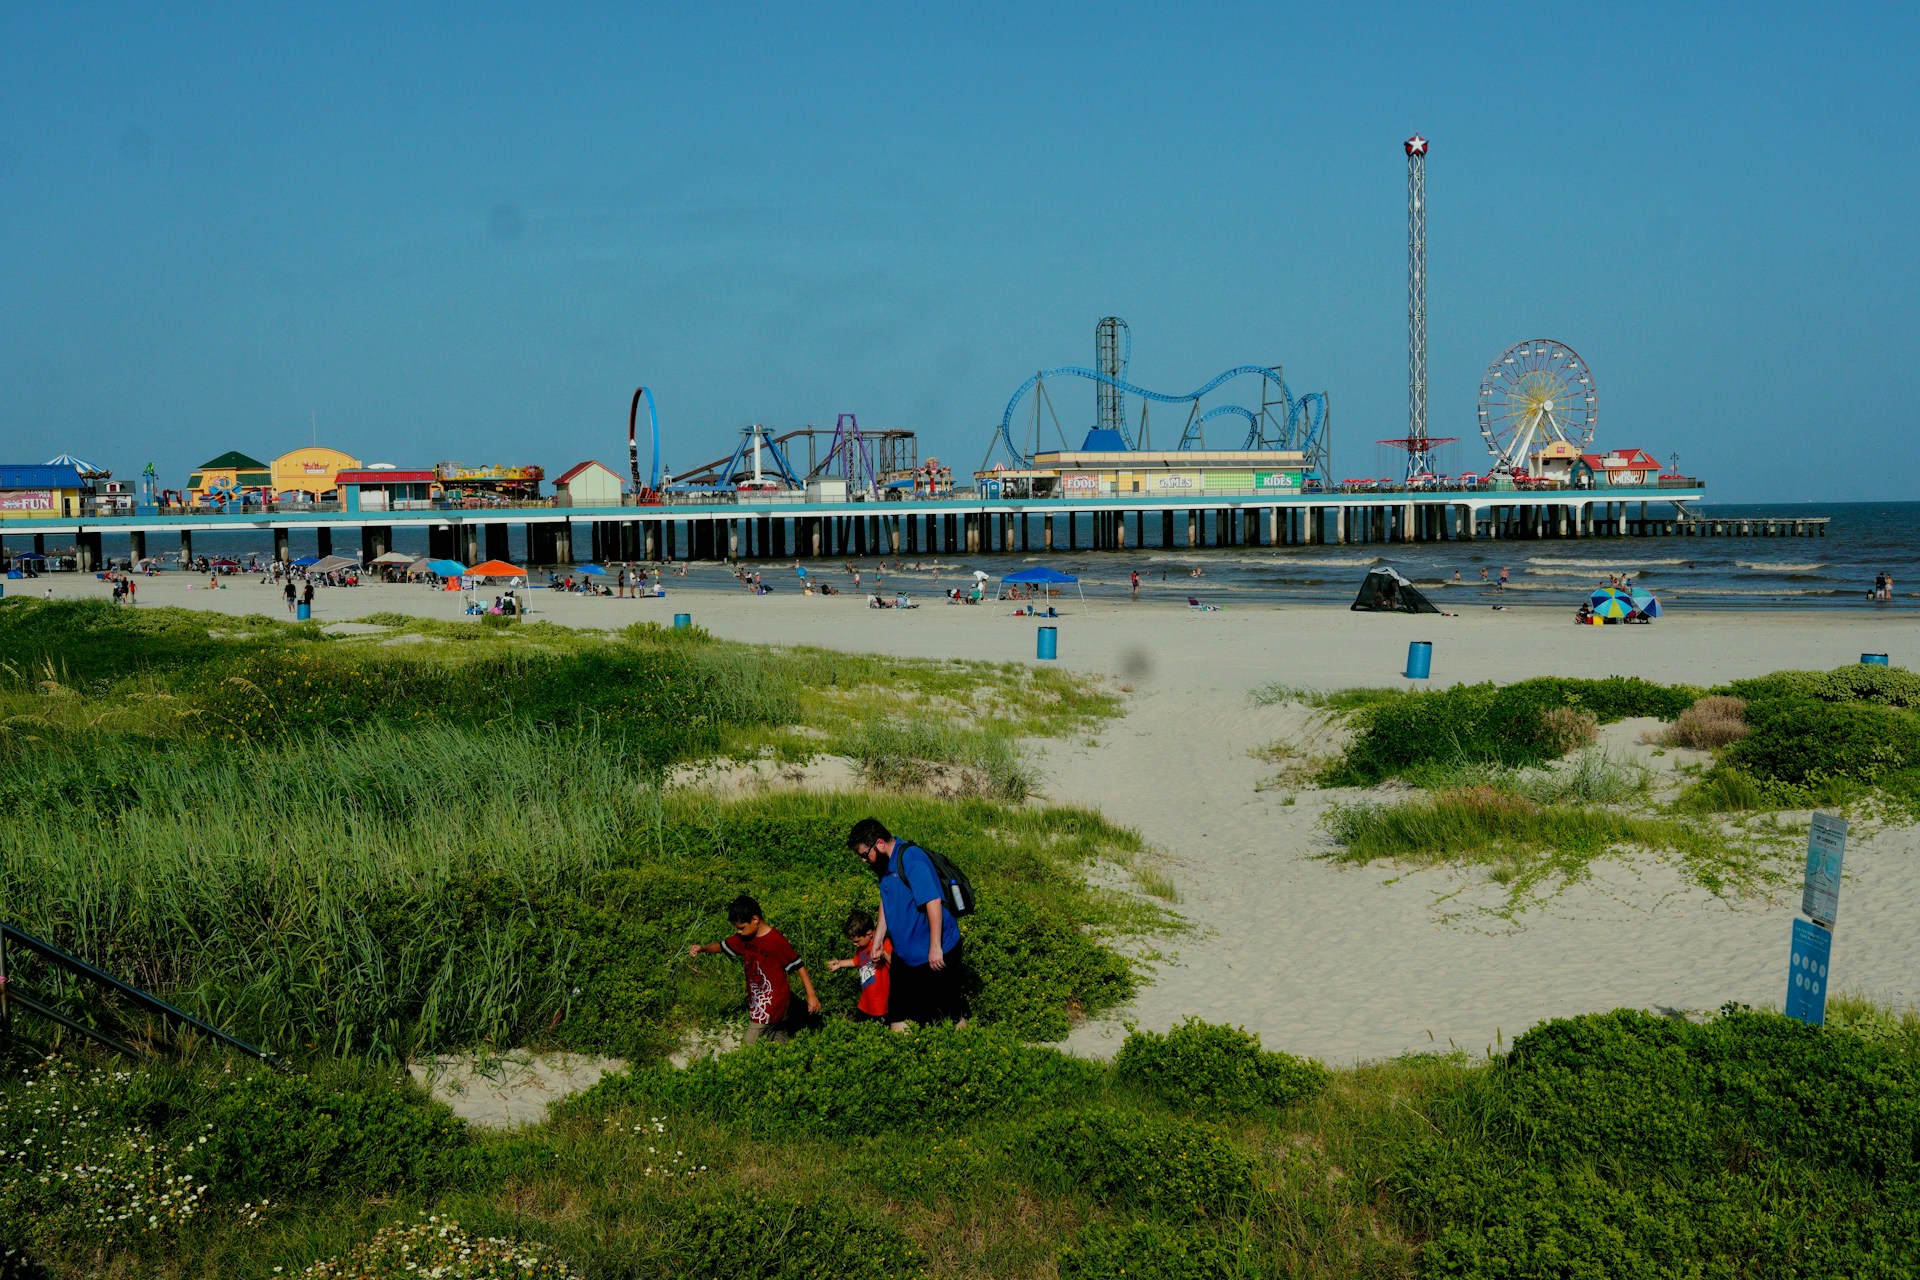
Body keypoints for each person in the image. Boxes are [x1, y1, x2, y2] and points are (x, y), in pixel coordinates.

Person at [846, 817, 968, 1029]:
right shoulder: (883, 866)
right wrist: (879, 938)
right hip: (905, 956)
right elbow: (886, 900)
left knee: (949, 1014)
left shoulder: (912, 859)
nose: (864, 861)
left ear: (880, 844)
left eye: (865, 855)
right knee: (897, 1016)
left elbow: (933, 902)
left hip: (939, 951)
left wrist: (935, 947)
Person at [687, 894, 821, 1044]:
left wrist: (811, 995)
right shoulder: (744, 937)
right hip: (757, 999)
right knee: (776, 1034)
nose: (738, 932)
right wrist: (703, 948)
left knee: (749, 1043)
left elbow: (798, 965)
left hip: (773, 1000)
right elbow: (722, 946)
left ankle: (747, 1063)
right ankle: (787, 1053)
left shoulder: (775, 940)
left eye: (741, 928)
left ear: (755, 920)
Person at [826, 908, 893, 1023]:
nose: (854, 944)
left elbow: (895, 965)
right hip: (865, 1002)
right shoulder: (862, 947)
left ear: (869, 934)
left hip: (881, 1004)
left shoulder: (884, 943)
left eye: (857, 941)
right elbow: (856, 961)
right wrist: (840, 963)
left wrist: (884, 954)